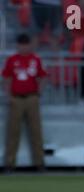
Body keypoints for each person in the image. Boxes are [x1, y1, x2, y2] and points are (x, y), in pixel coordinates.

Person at [2, 34, 47, 173]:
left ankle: (39, 163)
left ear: (30, 45)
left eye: (26, 44)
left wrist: (39, 92)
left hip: (32, 97)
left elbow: (43, 76)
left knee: (36, 131)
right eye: (21, 44)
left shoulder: (36, 59)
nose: (24, 47)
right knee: (13, 132)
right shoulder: (12, 60)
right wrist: (8, 95)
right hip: (16, 98)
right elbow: (6, 78)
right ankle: (9, 163)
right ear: (18, 45)